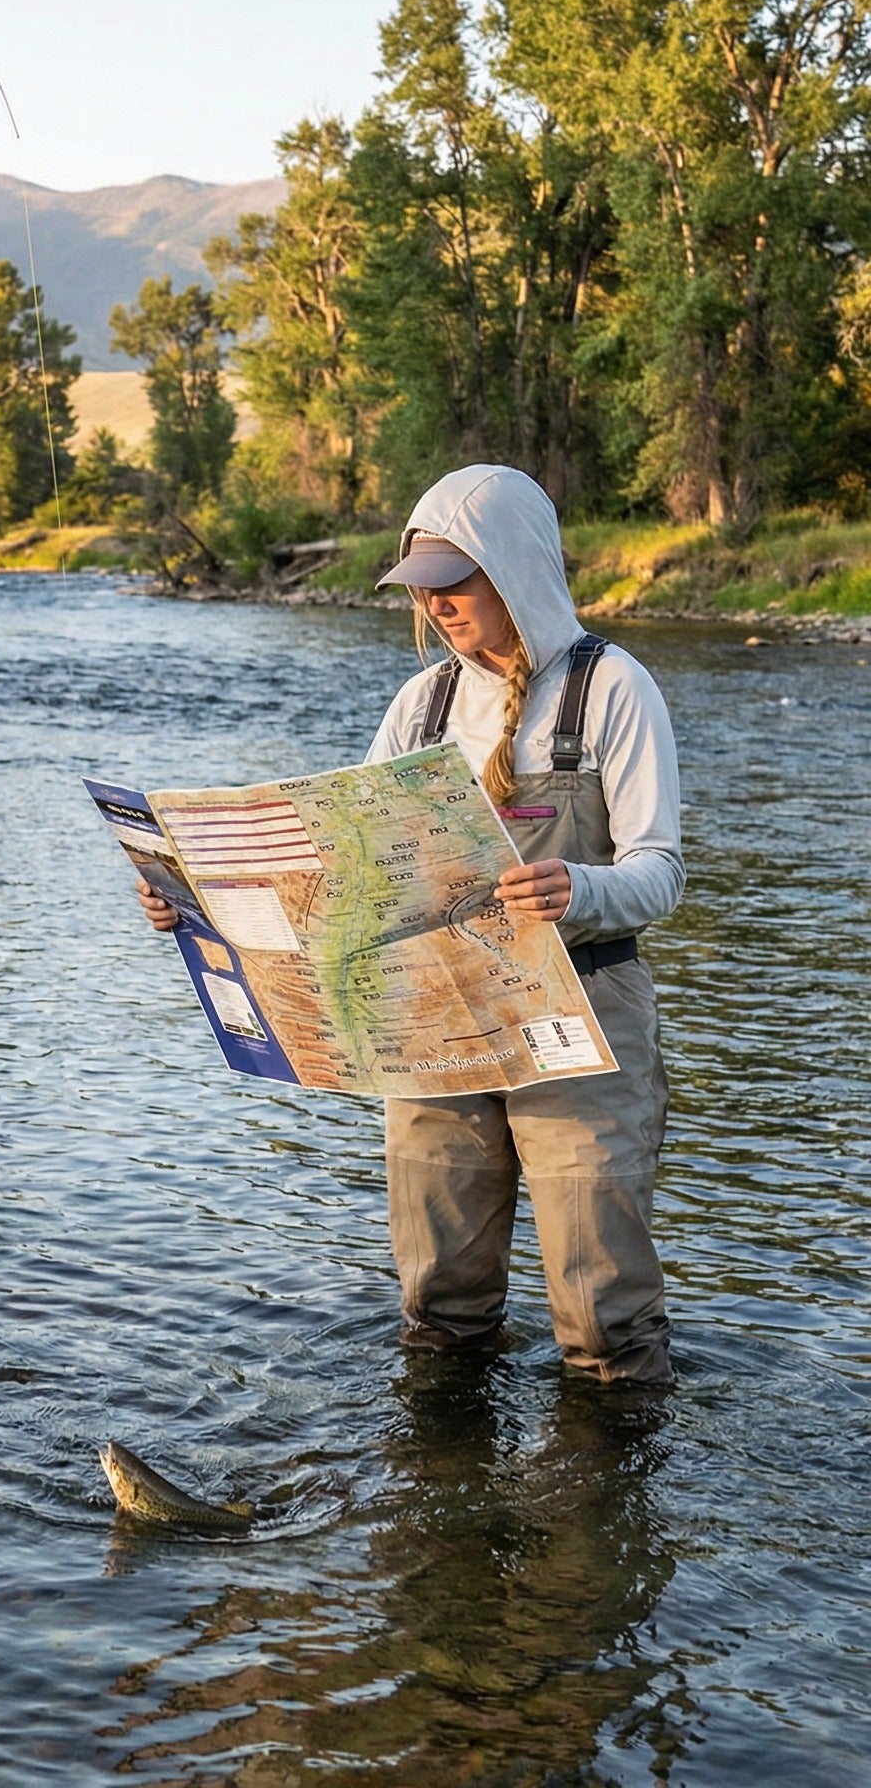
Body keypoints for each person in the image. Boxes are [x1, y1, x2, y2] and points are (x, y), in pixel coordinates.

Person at [137, 463, 683, 1385]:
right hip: (434, 1024)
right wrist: (195, 907)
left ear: (515, 572)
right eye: (422, 590)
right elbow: (340, 880)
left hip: (582, 1020)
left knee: (603, 1319)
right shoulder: (419, 705)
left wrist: (577, 892)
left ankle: (600, 1513)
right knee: (440, 1307)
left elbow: (659, 875)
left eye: (453, 583)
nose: (436, 607)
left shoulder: (613, 690)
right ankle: (440, 1507)